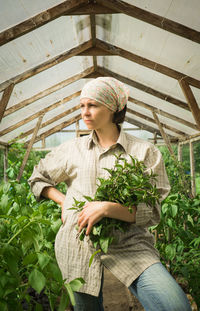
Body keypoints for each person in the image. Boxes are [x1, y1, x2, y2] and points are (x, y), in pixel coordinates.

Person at [29, 77, 192, 311]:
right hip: (79, 244)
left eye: (93, 105)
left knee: (175, 305)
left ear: (114, 108)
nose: (85, 112)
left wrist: (107, 208)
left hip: (130, 244)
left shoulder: (144, 152)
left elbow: (152, 211)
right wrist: (63, 201)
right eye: (82, 105)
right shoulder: (71, 150)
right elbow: (38, 177)